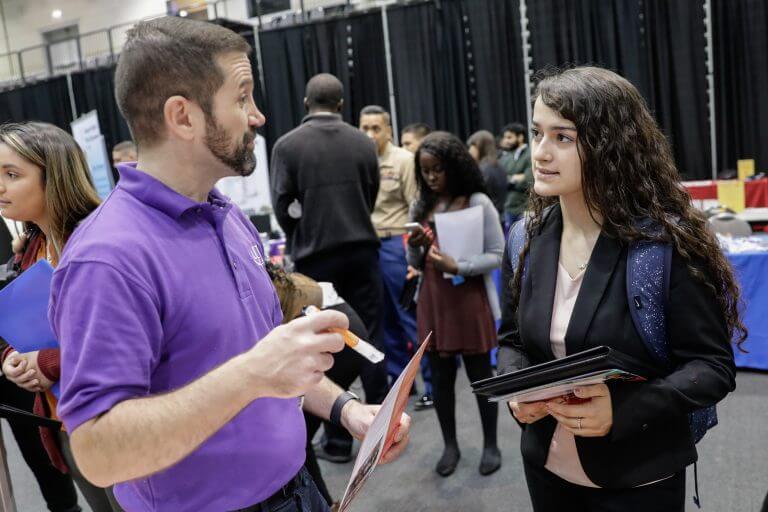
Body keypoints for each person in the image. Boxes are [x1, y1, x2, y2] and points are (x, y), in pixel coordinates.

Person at [49, 17, 410, 512]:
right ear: (183, 116)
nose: (257, 116)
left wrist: (345, 410)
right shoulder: (106, 258)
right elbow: (98, 452)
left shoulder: (226, 216)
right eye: (241, 98)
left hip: (297, 489)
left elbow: (271, 366)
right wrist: (252, 373)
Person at [497, 66, 742, 512]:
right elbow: (511, 339)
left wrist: (624, 410)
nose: (541, 153)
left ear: (610, 146)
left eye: (563, 138)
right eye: (537, 134)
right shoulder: (524, 238)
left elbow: (712, 366)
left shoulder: (664, 248)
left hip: (638, 480)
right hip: (545, 468)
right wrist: (516, 389)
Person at [0, 122, 121, 512]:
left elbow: (124, 343)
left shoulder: (101, 245)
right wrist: (13, 361)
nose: (0, 186)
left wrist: (49, 363)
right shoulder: (31, 248)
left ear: (54, 175)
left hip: (119, 424)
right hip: (65, 424)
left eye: (12, 174)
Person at [271, 74, 388, 462]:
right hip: (362, 249)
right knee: (369, 337)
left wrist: (302, 232)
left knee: (327, 344)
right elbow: (370, 193)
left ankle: (338, 440)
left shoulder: (287, 146)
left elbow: (281, 203)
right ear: (341, 104)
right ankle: (383, 423)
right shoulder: (362, 142)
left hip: (315, 256)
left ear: (307, 102)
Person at [406, 131, 504, 478]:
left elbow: (498, 254)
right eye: (425, 170)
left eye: (438, 169)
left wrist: (458, 266)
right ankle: (450, 445)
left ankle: (491, 443)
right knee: (440, 380)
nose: (431, 177)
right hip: (433, 300)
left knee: (480, 377)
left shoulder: (477, 201)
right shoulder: (422, 205)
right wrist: (416, 246)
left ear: (455, 166)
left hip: (468, 298)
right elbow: (415, 262)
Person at [360, 105, 433, 410]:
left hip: (395, 243)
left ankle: (431, 383)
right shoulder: (359, 159)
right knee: (384, 321)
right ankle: (402, 384)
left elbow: (416, 208)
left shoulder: (403, 160)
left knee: (409, 316)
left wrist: (415, 255)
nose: (369, 134)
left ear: (389, 130)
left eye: (376, 128)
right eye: (364, 128)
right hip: (368, 245)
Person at [467, 130, 507, 218]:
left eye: (472, 146)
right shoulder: (498, 165)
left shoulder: (484, 169)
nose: (469, 151)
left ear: (480, 147)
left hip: (488, 217)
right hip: (499, 215)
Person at [499, 122, 532, 227]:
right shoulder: (506, 157)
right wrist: (516, 178)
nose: (506, 141)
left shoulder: (530, 154)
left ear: (520, 137)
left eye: (509, 137)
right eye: (505, 137)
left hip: (525, 209)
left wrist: (511, 178)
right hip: (509, 208)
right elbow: (501, 179)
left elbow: (529, 180)